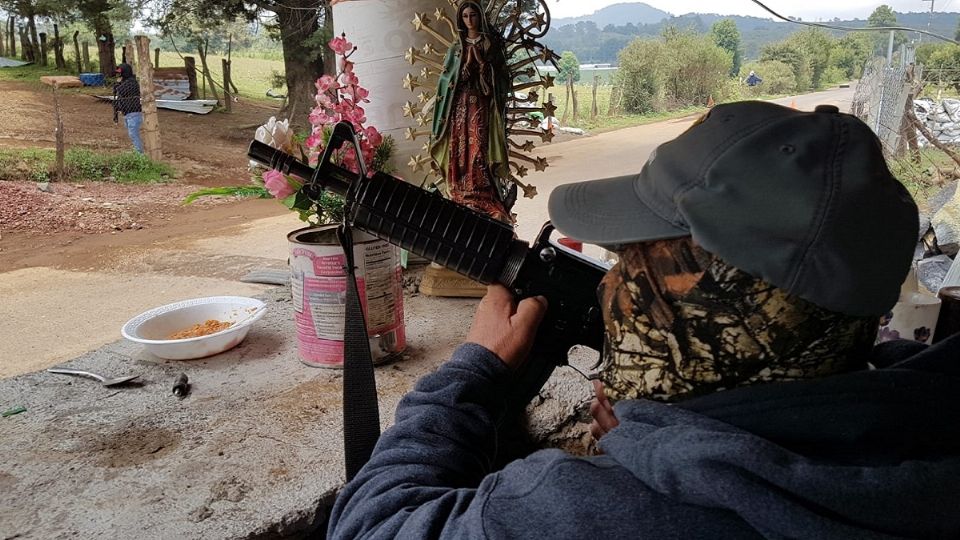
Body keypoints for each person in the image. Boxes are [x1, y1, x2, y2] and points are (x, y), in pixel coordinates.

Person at [327, 101, 960, 539]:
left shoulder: (597, 511)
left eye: (635, 258)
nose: (613, 282)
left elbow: (369, 526)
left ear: (723, 309)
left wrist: (473, 371)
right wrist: (666, 418)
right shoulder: (920, 421)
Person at [429, 1, 514, 223]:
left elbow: (501, 80)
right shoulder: (456, 49)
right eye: (465, 16)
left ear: (479, 17)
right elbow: (447, 82)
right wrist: (464, 69)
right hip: (460, 107)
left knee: (479, 146)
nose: (469, 20)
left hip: (481, 106)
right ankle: (460, 187)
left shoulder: (489, 44)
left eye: (473, 15)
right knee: (459, 147)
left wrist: (484, 66)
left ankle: (481, 189)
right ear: (461, 19)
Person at [113, 63, 144, 153]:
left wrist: (118, 83)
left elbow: (119, 90)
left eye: (120, 72)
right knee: (132, 134)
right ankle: (137, 151)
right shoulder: (126, 81)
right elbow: (116, 90)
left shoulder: (131, 82)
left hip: (133, 113)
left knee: (133, 134)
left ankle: (139, 154)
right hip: (128, 113)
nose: (119, 75)